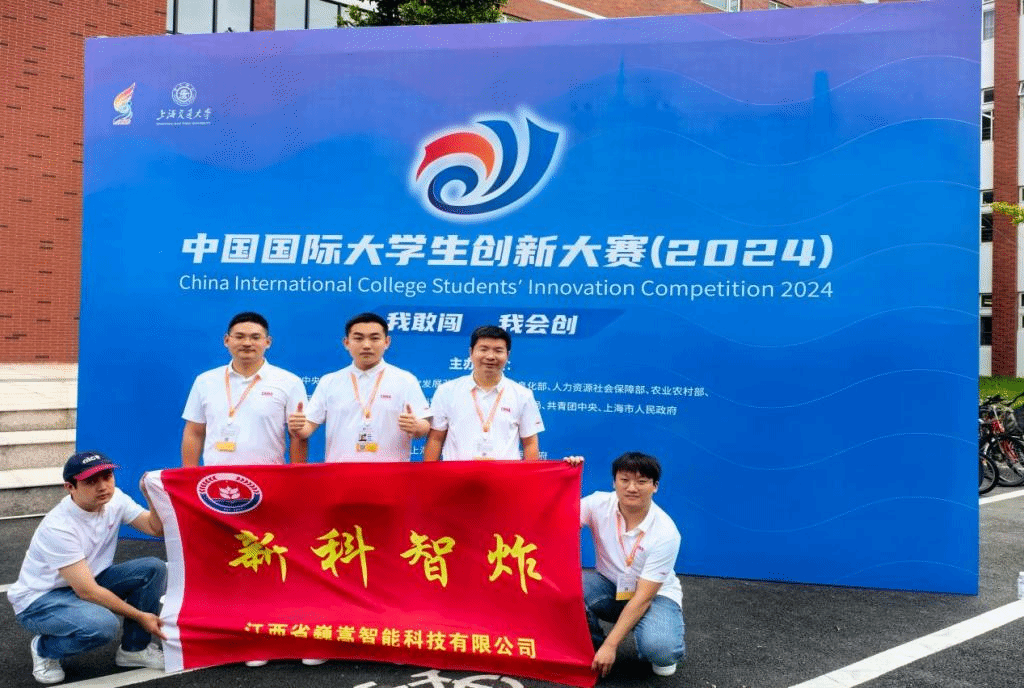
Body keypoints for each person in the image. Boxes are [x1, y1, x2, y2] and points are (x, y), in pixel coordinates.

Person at [8, 451, 167, 685]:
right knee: (102, 626)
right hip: (40, 601)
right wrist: (141, 616)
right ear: (70, 487)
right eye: (91, 481)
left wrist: (150, 495)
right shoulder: (59, 527)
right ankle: (44, 648)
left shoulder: (115, 499)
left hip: (87, 581)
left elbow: (155, 528)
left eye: (107, 477)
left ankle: (134, 650)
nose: (103, 486)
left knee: (152, 569)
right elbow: (87, 591)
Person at [572, 452, 685, 678]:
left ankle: (650, 633)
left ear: (655, 486)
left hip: (654, 597)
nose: (632, 488)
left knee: (661, 649)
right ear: (614, 482)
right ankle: (593, 646)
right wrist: (567, 473)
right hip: (609, 586)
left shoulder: (666, 532)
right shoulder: (597, 504)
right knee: (570, 588)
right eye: (624, 480)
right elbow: (559, 518)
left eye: (641, 481)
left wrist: (612, 645)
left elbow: (643, 598)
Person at [287, 312, 431, 462]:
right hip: (340, 471)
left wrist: (416, 427)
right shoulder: (329, 381)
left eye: (374, 338)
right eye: (358, 338)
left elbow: (424, 425)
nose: (366, 345)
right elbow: (307, 427)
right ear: (346, 343)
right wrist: (297, 427)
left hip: (390, 472)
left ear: (387, 342)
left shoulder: (405, 380)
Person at [181, 311, 308, 467]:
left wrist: (296, 475)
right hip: (216, 477)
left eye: (255, 337)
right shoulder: (205, 381)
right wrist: (189, 475)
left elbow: (297, 436)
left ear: (268, 342)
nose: (247, 343)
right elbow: (194, 432)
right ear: (226, 340)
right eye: (239, 337)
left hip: (268, 476)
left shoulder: (290, 382)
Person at [423, 325, 543, 462]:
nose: (490, 356)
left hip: (505, 474)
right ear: (471, 352)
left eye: (498, 351)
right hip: (457, 474)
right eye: (484, 349)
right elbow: (436, 439)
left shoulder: (522, 395)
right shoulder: (447, 391)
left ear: (507, 355)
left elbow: (530, 443)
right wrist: (429, 474)